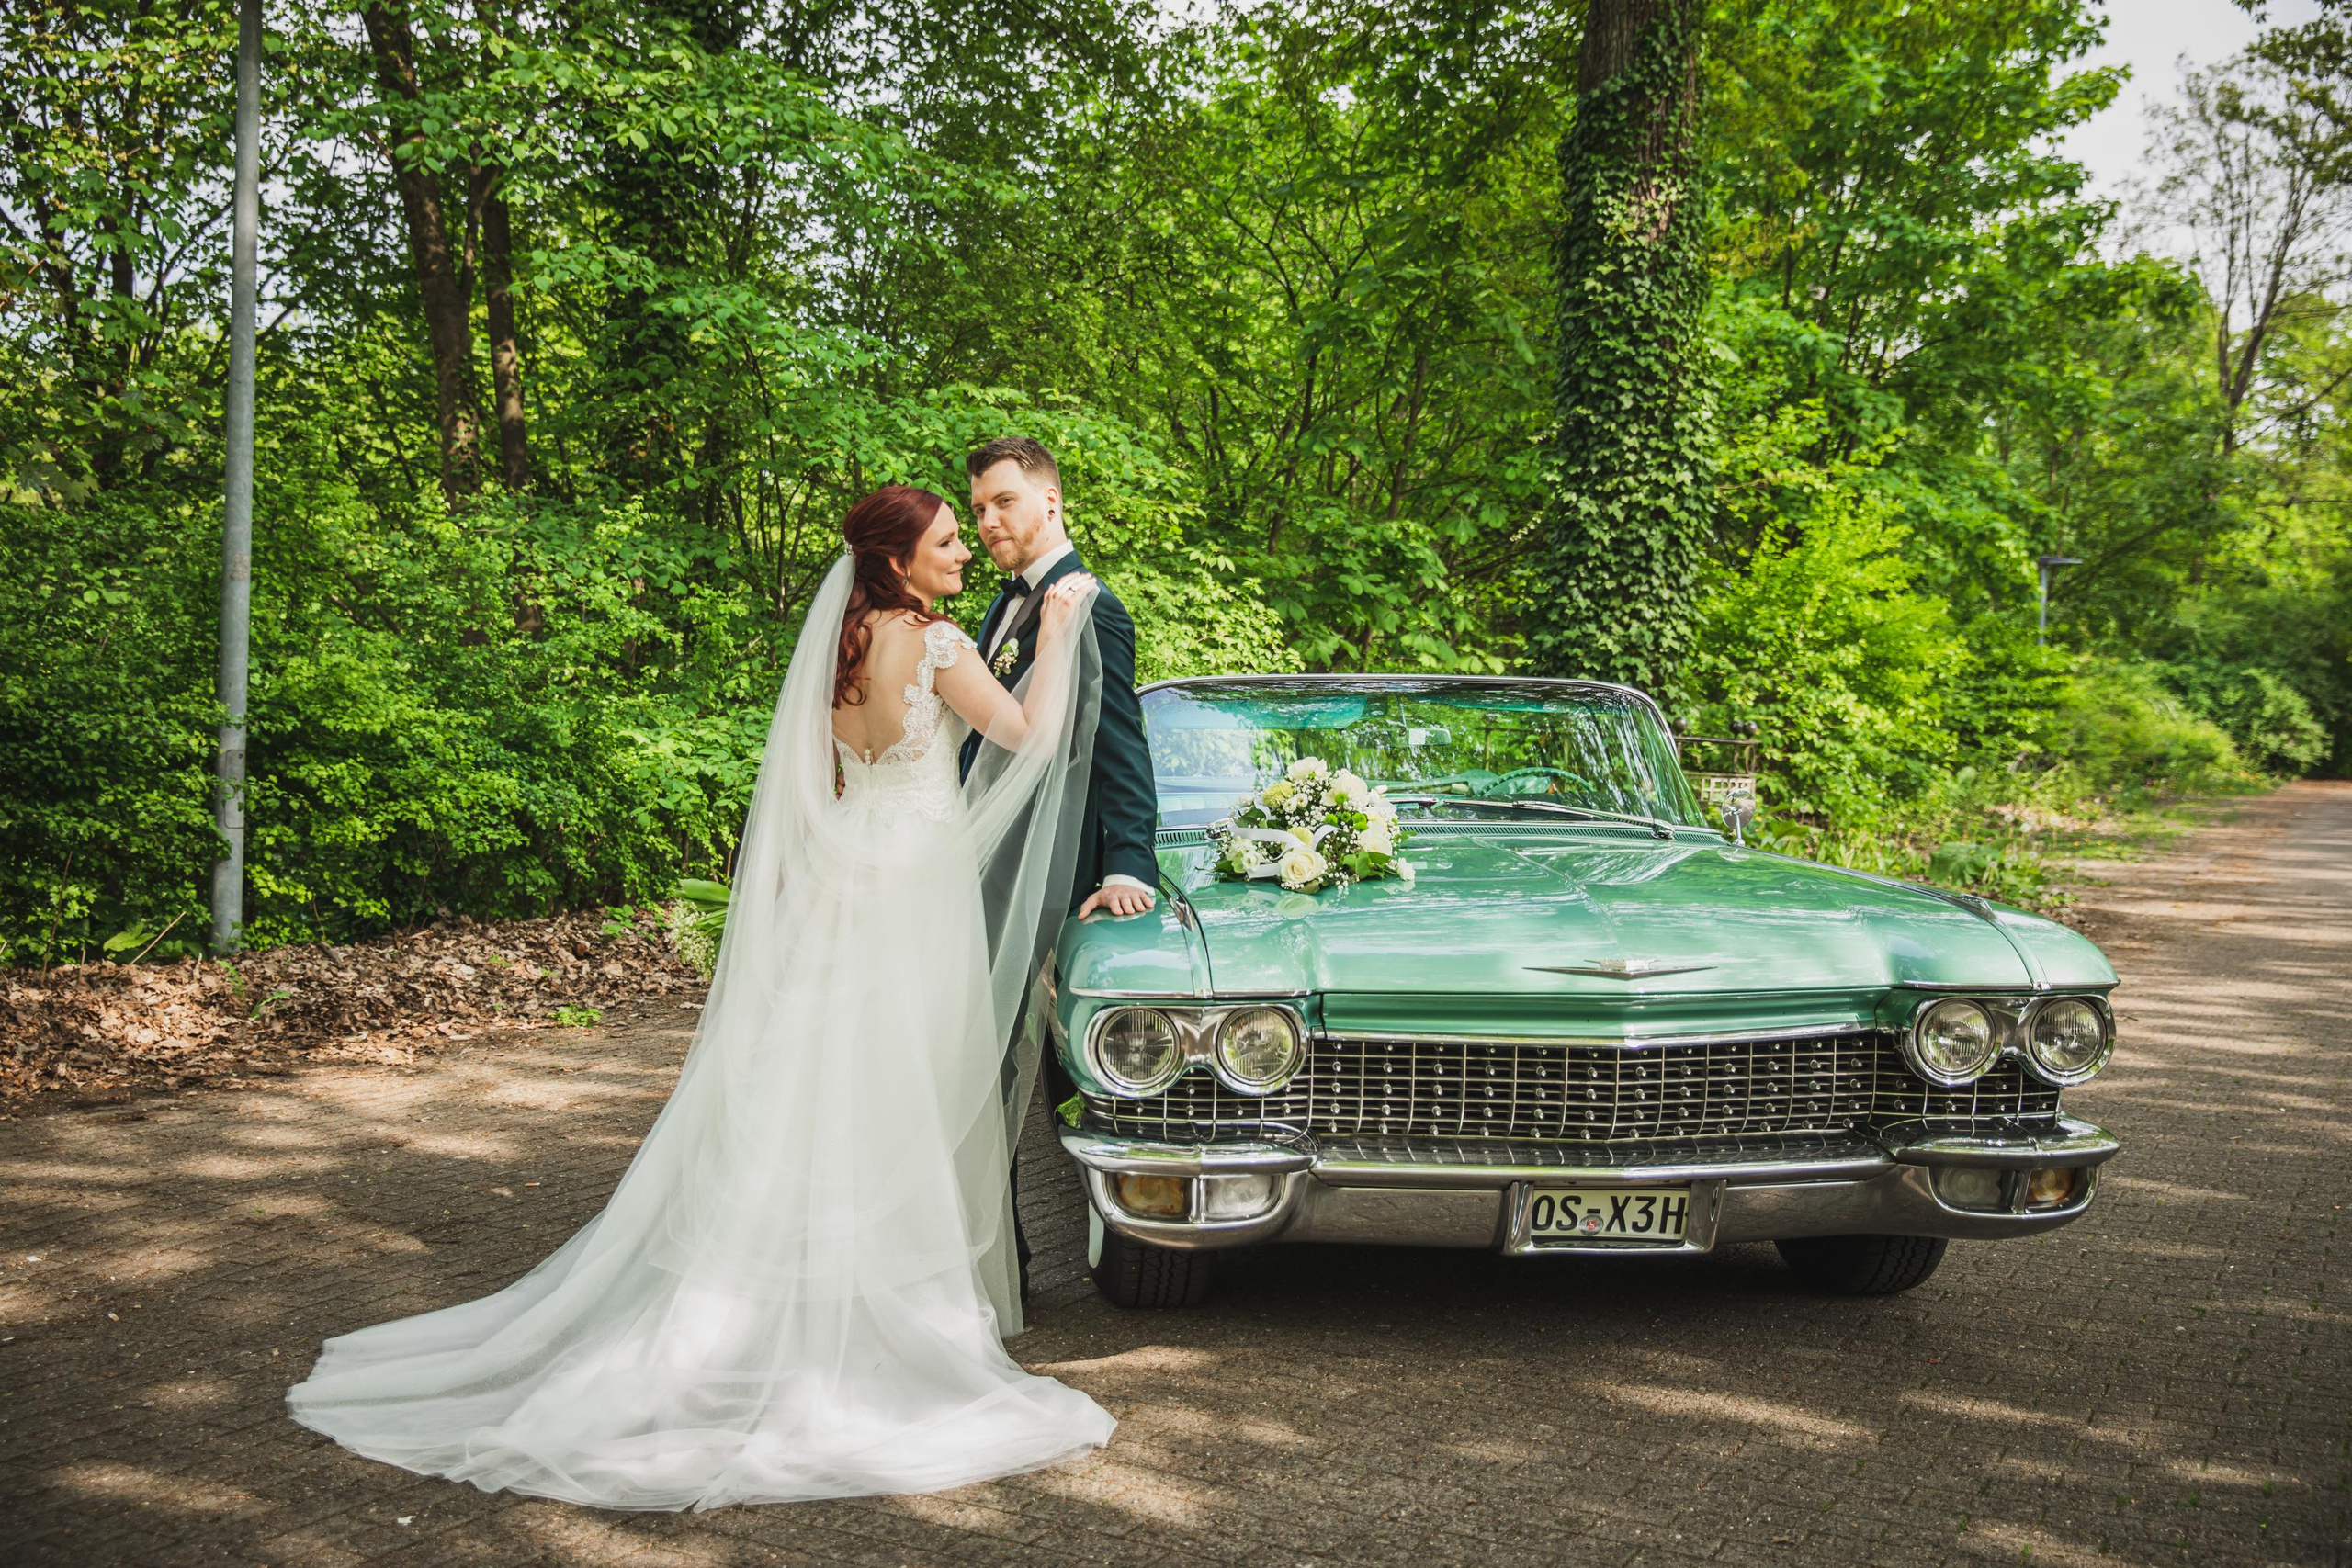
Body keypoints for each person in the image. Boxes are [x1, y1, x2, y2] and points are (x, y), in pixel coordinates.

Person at [286, 485, 1116, 1510]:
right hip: (914, 889)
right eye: (946, 541)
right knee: (894, 1094)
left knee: (819, 1091)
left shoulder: (843, 639)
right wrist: (1063, 636)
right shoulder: (934, 642)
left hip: (847, 878)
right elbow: (1030, 734)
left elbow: (817, 784)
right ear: (899, 563)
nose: (961, 553)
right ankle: (873, 1332)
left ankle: (776, 1306)